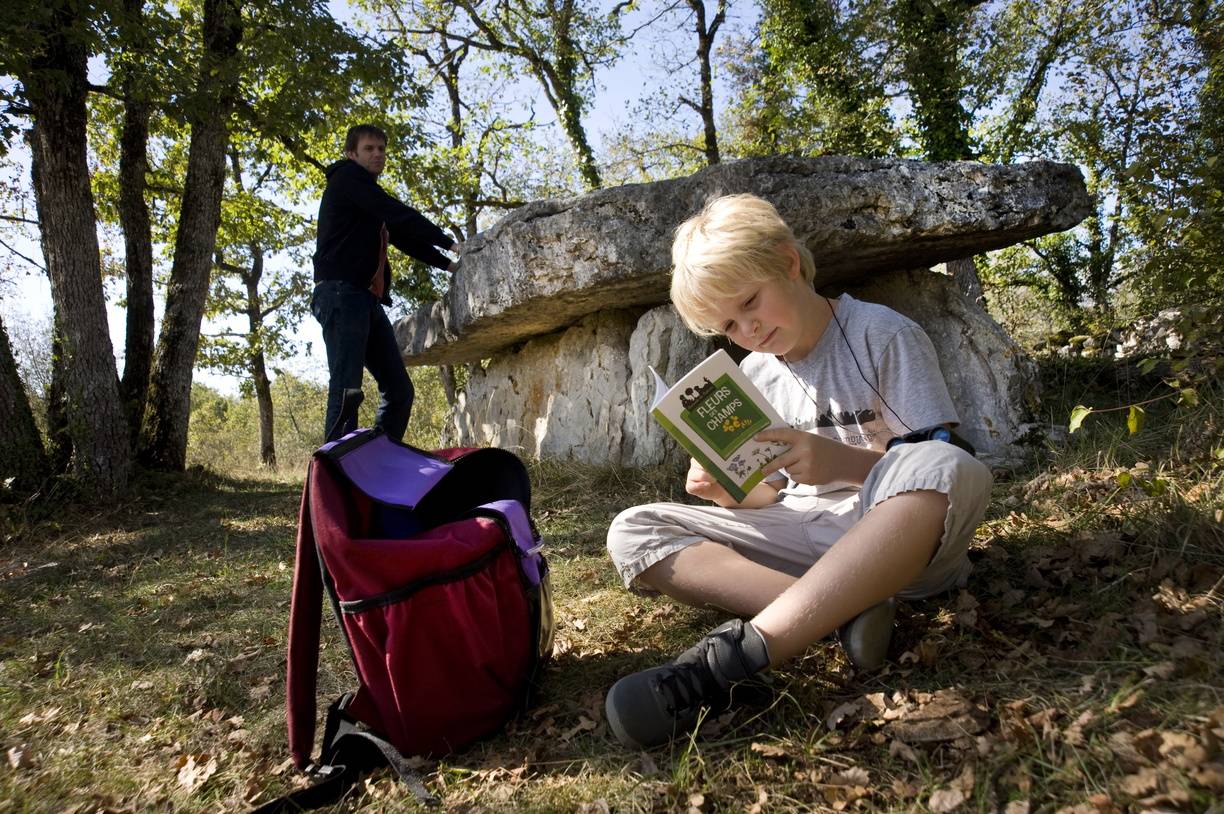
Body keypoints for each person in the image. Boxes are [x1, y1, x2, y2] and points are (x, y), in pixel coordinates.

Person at [603, 194, 993, 749]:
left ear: (788, 263)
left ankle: (740, 656)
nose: (749, 329)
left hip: (893, 542)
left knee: (946, 461)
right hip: (804, 536)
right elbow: (771, 496)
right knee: (633, 529)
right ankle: (844, 614)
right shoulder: (755, 373)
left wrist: (843, 463)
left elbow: (934, 463)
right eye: (729, 324)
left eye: (750, 302)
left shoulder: (882, 334)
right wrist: (727, 492)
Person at [311, 123, 462, 443]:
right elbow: (396, 213)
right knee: (347, 388)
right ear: (351, 154)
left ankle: (380, 458)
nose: (377, 154)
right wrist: (449, 243)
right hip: (340, 294)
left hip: (365, 299)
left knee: (399, 391)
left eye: (381, 149)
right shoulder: (347, 178)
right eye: (369, 148)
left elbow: (404, 236)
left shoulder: (367, 199)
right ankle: (337, 467)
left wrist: (450, 265)